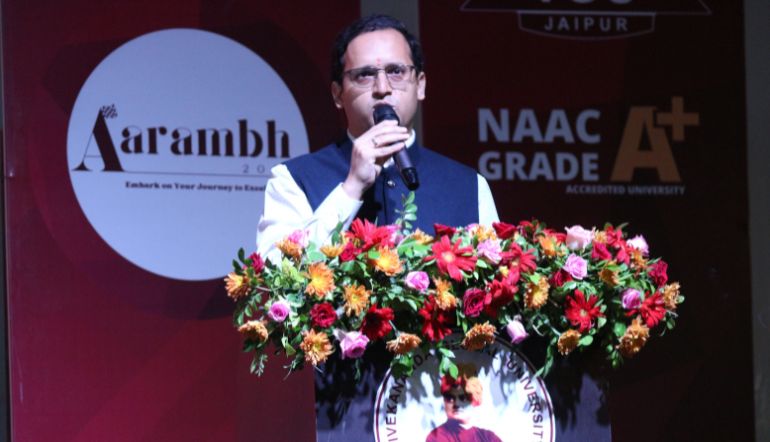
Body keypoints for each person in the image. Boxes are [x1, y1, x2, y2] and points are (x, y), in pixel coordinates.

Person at [257, 14, 499, 261]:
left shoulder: (469, 185)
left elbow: (498, 275)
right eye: (364, 75)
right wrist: (351, 188)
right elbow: (272, 272)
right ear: (338, 94)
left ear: (420, 85)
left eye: (396, 71)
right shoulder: (294, 179)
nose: (382, 88)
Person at [426, 374, 503, 442]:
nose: (456, 403)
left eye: (463, 398)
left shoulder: (489, 437)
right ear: (444, 402)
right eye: (450, 398)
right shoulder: (437, 436)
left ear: (474, 400)